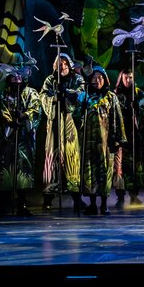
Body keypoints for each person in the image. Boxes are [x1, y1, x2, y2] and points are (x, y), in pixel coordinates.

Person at [39, 53, 86, 213]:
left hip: (69, 121)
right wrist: (54, 99)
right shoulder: (50, 80)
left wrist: (66, 93)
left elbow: (81, 94)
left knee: (71, 156)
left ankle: (76, 196)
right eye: (59, 63)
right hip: (54, 122)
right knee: (52, 156)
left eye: (65, 63)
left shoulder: (77, 79)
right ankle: (48, 197)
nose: (63, 66)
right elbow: (43, 96)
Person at [79, 66, 127, 215]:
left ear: (105, 79)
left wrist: (119, 139)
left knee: (105, 172)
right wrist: (81, 109)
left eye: (100, 77)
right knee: (90, 172)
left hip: (106, 142)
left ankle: (104, 204)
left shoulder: (111, 97)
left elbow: (118, 118)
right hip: (88, 142)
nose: (97, 80)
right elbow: (75, 117)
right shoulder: (84, 97)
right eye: (94, 77)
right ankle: (92, 204)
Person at [0, 71, 42, 216]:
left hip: (24, 137)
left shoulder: (30, 92)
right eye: (14, 77)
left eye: (19, 76)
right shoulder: (5, 93)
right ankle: (3, 204)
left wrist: (24, 115)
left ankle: (22, 203)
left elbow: (35, 109)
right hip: (9, 136)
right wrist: (9, 121)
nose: (17, 79)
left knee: (24, 168)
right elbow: (1, 109)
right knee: (6, 167)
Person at [114, 69, 144, 207]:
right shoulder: (115, 95)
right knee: (120, 167)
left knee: (135, 167)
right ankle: (120, 196)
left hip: (135, 136)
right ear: (121, 78)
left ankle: (134, 195)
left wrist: (137, 109)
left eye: (131, 78)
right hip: (121, 136)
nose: (128, 81)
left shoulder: (139, 94)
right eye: (126, 78)